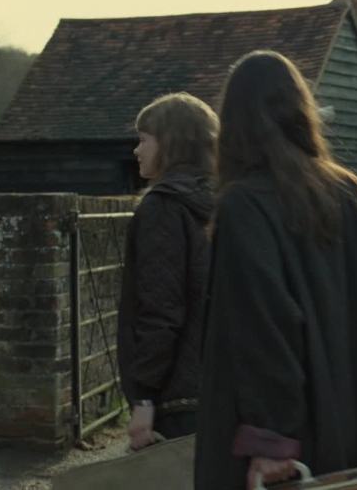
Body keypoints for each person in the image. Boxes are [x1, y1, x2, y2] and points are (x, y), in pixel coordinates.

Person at [194, 50, 357, 490]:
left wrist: (270, 441)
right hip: (351, 417)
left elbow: (264, 329)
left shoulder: (244, 205)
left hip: (290, 440)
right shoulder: (348, 192)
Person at [117, 92, 218, 450]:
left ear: (170, 144)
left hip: (177, 397)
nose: (136, 150)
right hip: (223, 388)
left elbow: (161, 309)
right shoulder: (227, 200)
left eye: (144, 139)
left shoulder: (162, 208)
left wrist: (144, 399)